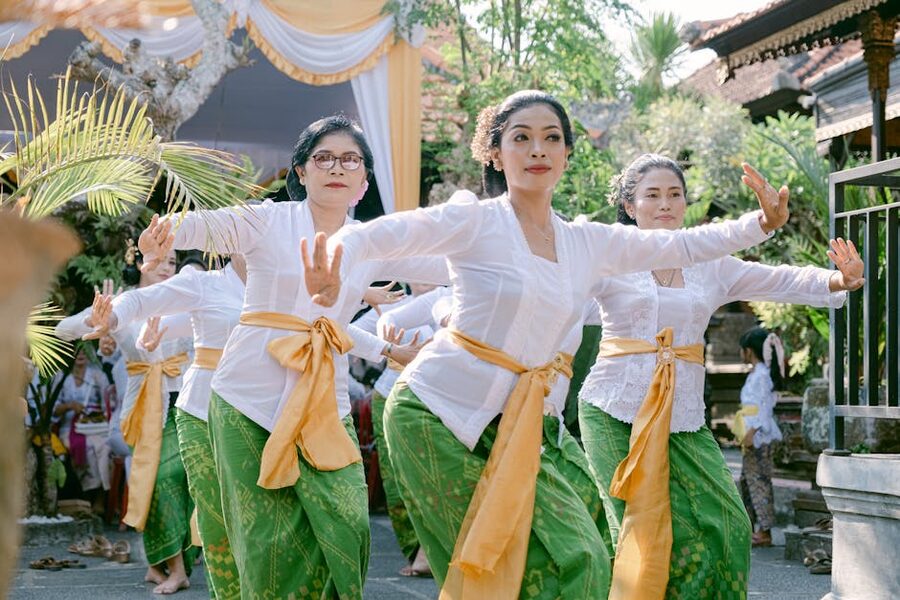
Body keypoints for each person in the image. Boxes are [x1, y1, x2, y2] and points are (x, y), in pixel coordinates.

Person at [309, 90, 790, 598]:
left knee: (583, 559)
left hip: (523, 423)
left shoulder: (589, 243)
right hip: (434, 415)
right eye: (522, 138)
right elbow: (380, 236)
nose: (537, 149)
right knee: (501, 575)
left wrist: (760, 224)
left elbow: (681, 245)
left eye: (551, 138)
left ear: (566, 154)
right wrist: (334, 261)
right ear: (496, 152)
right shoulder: (473, 220)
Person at [136, 115, 448, 599]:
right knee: (267, 536)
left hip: (325, 398)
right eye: (323, 157)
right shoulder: (266, 218)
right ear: (301, 172)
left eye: (350, 159)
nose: (336, 167)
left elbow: (447, 265)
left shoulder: (374, 239)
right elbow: (200, 226)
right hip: (246, 395)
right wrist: (163, 236)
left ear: (364, 179)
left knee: (348, 524)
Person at [576, 153, 865, 599]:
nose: (665, 204)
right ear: (630, 206)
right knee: (641, 532)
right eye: (652, 195)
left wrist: (838, 281)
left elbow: (779, 280)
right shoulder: (610, 253)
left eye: (675, 194)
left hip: (682, 416)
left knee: (727, 525)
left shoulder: (709, 264)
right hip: (613, 408)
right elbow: (555, 297)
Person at [56, 245, 198, 594]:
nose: (167, 267)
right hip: (142, 411)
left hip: (188, 404)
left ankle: (155, 565)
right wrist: (95, 320)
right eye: (160, 260)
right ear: (139, 261)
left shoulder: (186, 298)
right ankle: (174, 570)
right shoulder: (123, 303)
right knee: (159, 480)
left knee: (172, 483)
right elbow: (63, 329)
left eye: (172, 262)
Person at [735, 327, 787, 549]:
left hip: (758, 436)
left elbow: (764, 408)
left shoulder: (762, 376)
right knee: (749, 483)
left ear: (749, 351)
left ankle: (765, 531)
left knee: (759, 483)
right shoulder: (756, 374)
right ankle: (753, 526)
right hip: (752, 435)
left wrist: (752, 431)